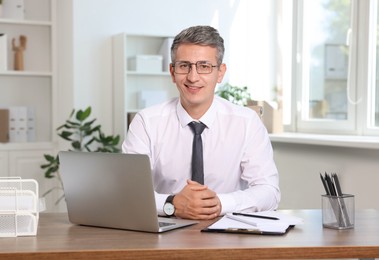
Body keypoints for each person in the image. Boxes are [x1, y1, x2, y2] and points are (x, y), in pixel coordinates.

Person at [122, 25, 280, 220]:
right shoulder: (146, 122)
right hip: (166, 232)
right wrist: (172, 204)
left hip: (228, 232)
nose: (193, 77)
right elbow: (130, 192)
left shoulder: (247, 122)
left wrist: (220, 204)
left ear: (220, 72)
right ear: (172, 72)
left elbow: (269, 192)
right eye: (184, 66)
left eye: (204, 66)